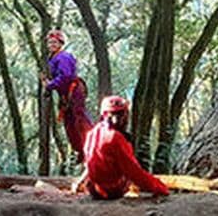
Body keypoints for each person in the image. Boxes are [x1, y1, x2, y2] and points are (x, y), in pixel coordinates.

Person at [72, 96, 169, 199]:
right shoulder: (115, 138)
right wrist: (160, 188)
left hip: (94, 189)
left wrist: (80, 181)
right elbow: (134, 172)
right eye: (125, 115)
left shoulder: (92, 134)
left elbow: (91, 163)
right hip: (112, 191)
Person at [41, 28, 93, 162]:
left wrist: (50, 85)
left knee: (79, 121)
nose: (52, 45)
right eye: (50, 43)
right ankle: (80, 151)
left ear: (60, 44)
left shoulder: (63, 57)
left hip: (73, 92)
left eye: (55, 42)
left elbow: (66, 76)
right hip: (65, 96)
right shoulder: (52, 59)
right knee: (70, 124)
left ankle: (92, 148)